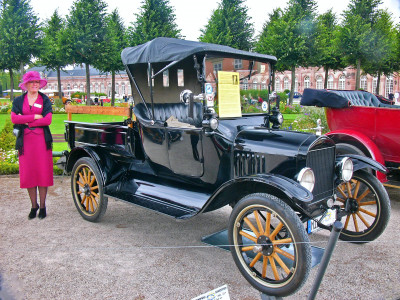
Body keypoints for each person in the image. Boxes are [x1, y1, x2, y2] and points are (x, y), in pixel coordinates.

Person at [11, 71, 53, 220]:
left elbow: (48, 120)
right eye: (32, 82)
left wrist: (25, 120)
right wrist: (34, 117)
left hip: (42, 141)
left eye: (37, 82)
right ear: (26, 85)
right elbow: (14, 118)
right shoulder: (18, 101)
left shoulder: (45, 99)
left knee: (42, 173)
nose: (35, 84)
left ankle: (42, 207)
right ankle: (33, 206)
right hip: (26, 142)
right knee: (29, 174)